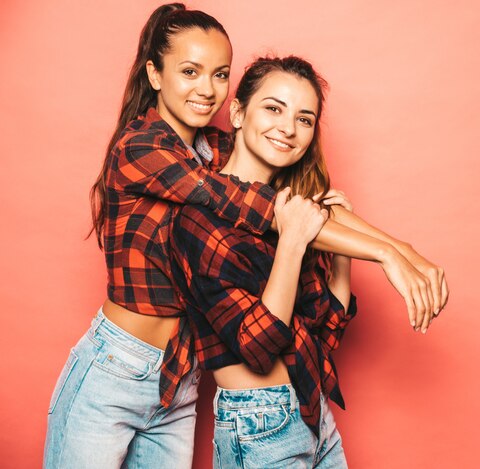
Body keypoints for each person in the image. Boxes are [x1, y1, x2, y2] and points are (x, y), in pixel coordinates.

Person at [44, 3, 448, 468]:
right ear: (154, 74)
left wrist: (401, 249)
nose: (207, 90)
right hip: (116, 366)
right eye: (190, 71)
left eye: (220, 74)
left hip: (179, 378)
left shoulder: (213, 148)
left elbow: (302, 203)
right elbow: (264, 208)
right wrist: (389, 254)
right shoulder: (142, 148)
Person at [169, 55, 433, 468]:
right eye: (273, 108)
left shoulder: (295, 212)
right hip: (257, 427)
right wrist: (296, 242)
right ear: (237, 113)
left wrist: (341, 253)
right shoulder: (201, 219)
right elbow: (257, 350)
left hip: (314, 416)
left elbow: (327, 333)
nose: (288, 128)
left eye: (304, 119)